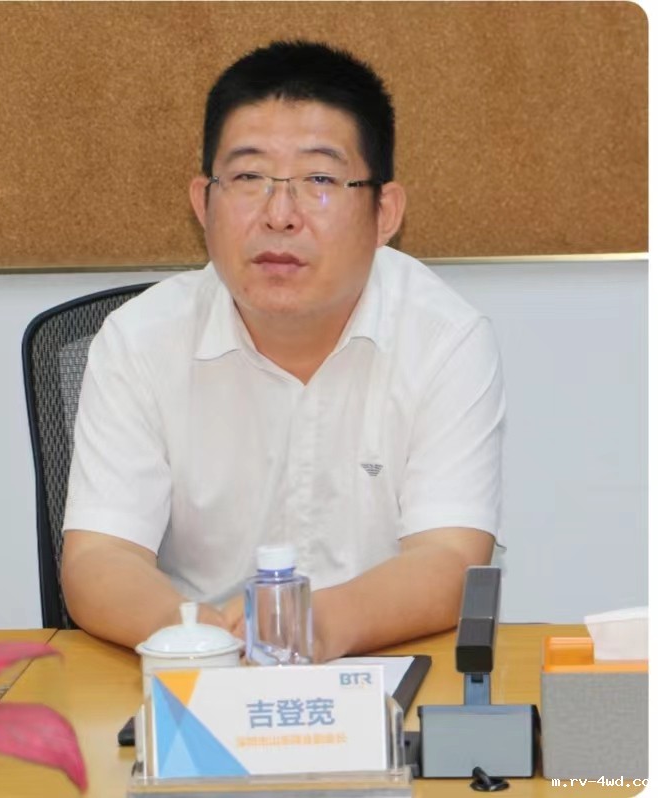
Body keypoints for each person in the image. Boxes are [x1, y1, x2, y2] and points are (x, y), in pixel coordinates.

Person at [60, 41, 503, 661]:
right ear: (202, 203)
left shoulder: (444, 339)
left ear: (385, 212)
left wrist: (313, 628)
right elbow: (99, 557)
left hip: (379, 668)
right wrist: (199, 636)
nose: (279, 216)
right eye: (248, 179)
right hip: (195, 671)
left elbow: (451, 557)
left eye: (319, 180)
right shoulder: (139, 340)